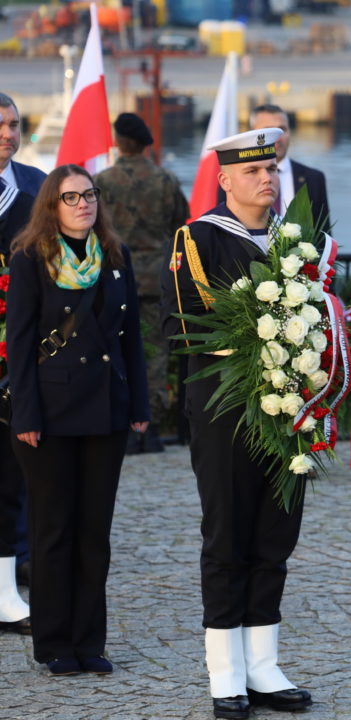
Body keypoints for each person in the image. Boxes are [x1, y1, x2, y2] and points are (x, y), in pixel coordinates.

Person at [160, 129, 313, 719]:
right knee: (228, 535)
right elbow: (187, 324)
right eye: (252, 172)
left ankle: (263, 665)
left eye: (271, 169)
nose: (267, 179)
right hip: (226, 410)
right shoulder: (198, 238)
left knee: (276, 534)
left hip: (289, 409)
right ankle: (225, 672)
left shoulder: (294, 242)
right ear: (224, 180)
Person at [7, 164, 149, 675]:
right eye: (71, 197)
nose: (84, 204)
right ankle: (53, 644)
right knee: (52, 532)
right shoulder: (30, 258)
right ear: (52, 205)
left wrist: (139, 406)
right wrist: (24, 412)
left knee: (94, 532)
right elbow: (20, 343)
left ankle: (90, 642)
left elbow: (130, 337)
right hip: (47, 414)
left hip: (105, 411)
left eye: (89, 195)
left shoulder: (115, 256)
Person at [95, 111, 189, 454]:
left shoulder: (102, 180)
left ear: (119, 141)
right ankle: (148, 430)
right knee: (154, 354)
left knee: (112, 352)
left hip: (112, 277)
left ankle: (118, 423)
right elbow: (182, 221)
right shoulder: (165, 180)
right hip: (156, 280)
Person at [0, 91, 47, 596]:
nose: (8, 134)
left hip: (28, 344)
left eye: (14, 124)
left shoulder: (36, 185)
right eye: (0, 126)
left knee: (24, 454)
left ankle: (25, 555)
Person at [218, 104, 331, 233]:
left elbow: (323, 234)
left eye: (282, 130)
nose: (277, 138)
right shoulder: (234, 178)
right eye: (267, 131)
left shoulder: (313, 178)